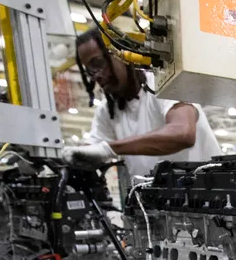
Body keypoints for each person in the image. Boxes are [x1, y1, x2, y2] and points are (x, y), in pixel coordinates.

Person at [62, 29, 221, 178]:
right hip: (156, 203)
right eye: (89, 70)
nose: (96, 76)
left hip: (212, 196)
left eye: (98, 63)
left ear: (122, 54)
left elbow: (183, 133)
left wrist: (109, 149)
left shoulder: (162, 82)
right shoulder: (106, 111)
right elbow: (93, 150)